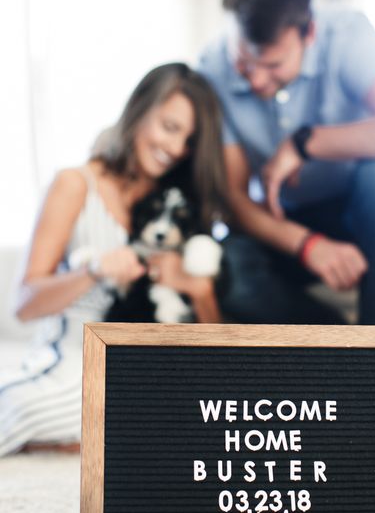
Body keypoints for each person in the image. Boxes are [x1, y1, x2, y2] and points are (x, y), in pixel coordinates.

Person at [0, 63, 226, 456]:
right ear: (139, 109)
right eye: (170, 128)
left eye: (188, 140)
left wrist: (200, 291)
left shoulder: (178, 206)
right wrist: (94, 270)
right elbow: (24, 304)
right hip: (73, 358)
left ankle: (94, 437)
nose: (175, 149)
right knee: (29, 406)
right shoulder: (75, 184)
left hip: (149, 370)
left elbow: (219, 349)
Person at [199, 0, 375, 325]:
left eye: (273, 64)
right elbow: (234, 197)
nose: (257, 81)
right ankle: (342, 355)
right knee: (231, 266)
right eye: (244, 64)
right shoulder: (212, 68)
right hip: (297, 220)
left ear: (308, 33)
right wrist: (308, 245)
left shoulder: (348, 34)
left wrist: (304, 145)